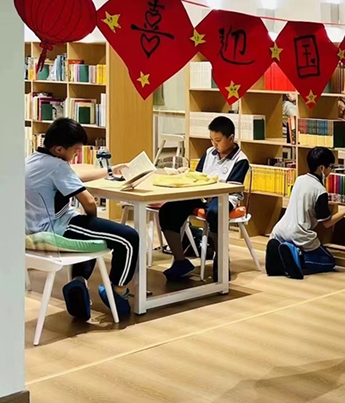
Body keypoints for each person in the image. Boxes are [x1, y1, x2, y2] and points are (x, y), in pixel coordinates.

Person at [25, 118, 140, 319]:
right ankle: (117, 290)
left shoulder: (33, 159)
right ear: (59, 149)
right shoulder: (57, 167)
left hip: (33, 226)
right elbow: (89, 202)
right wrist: (92, 221)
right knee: (129, 237)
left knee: (90, 234)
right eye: (76, 150)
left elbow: (73, 176)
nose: (77, 154)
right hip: (53, 228)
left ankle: (79, 281)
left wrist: (110, 170)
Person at [158, 116, 250, 282]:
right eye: (212, 140)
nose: (214, 144)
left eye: (218, 140)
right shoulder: (209, 153)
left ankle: (220, 258)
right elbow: (198, 175)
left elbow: (231, 189)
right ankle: (180, 261)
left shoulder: (241, 160)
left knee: (215, 212)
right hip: (201, 194)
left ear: (230, 139)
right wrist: (185, 173)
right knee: (168, 210)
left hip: (224, 197)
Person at [265, 147, 345, 280]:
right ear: (321, 168)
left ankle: (281, 257)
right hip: (299, 233)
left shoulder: (299, 179)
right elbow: (327, 223)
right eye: (330, 167)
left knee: (294, 246)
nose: (331, 171)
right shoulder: (320, 190)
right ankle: (298, 257)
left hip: (280, 230)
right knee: (328, 261)